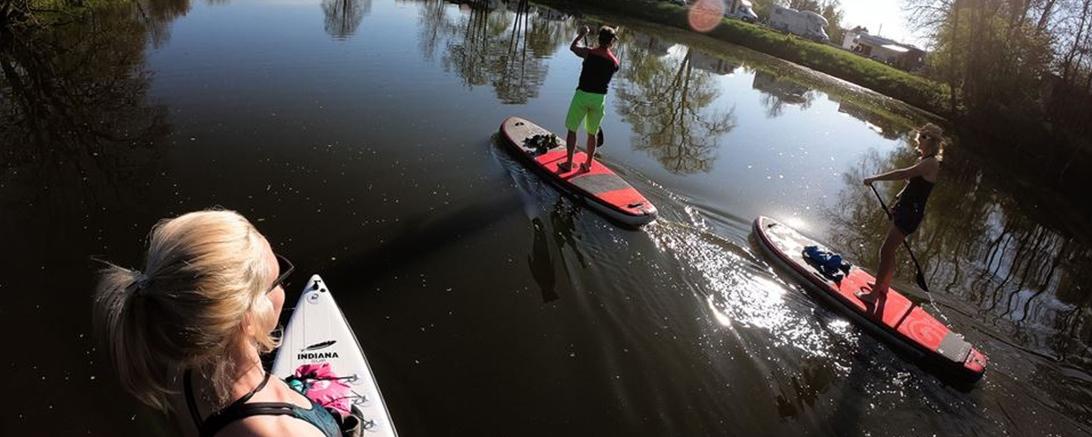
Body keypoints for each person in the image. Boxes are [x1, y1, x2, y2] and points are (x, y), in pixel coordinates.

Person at [93, 210, 342, 437]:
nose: (284, 287)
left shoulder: (181, 358)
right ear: (251, 318)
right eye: (278, 280)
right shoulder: (284, 432)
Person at [857, 123, 946, 302]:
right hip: (905, 210)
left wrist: (875, 178)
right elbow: (912, 184)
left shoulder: (930, 163)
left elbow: (902, 174)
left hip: (910, 214)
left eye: (920, 138)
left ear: (928, 141)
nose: (917, 141)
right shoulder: (925, 160)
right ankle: (883, 287)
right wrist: (898, 199)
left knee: (885, 250)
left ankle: (874, 295)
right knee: (889, 251)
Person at [559, 25, 620, 173]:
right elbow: (606, 64)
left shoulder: (588, 53)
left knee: (572, 129)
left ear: (599, 38)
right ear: (611, 42)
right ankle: (588, 164)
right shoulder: (615, 63)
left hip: (582, 95)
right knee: (592, 134)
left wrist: (582, 34)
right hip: (599, 100)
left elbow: (573, 48)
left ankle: (568, 163)